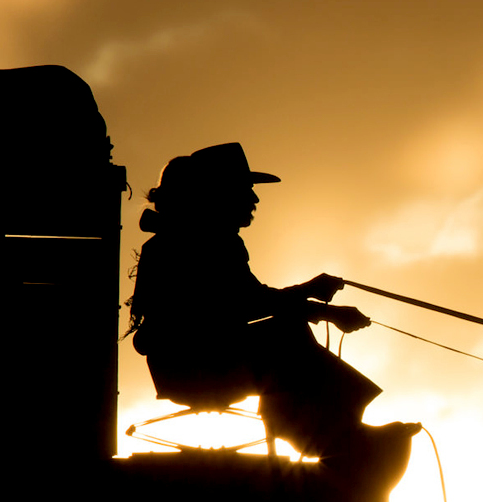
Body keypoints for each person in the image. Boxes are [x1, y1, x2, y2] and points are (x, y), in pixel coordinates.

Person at [126, 141, 386, 464]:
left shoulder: (190, 241)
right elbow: (248, 304)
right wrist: (321, 303)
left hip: (189, 366)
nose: (254, 198)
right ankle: (336, 438)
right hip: (196, 369)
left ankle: (333, 434)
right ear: (220, 193)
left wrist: (320, 305)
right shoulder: (206, 244)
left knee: (288, 334)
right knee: (289, 339)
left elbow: (247, 301)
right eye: (245, 189)